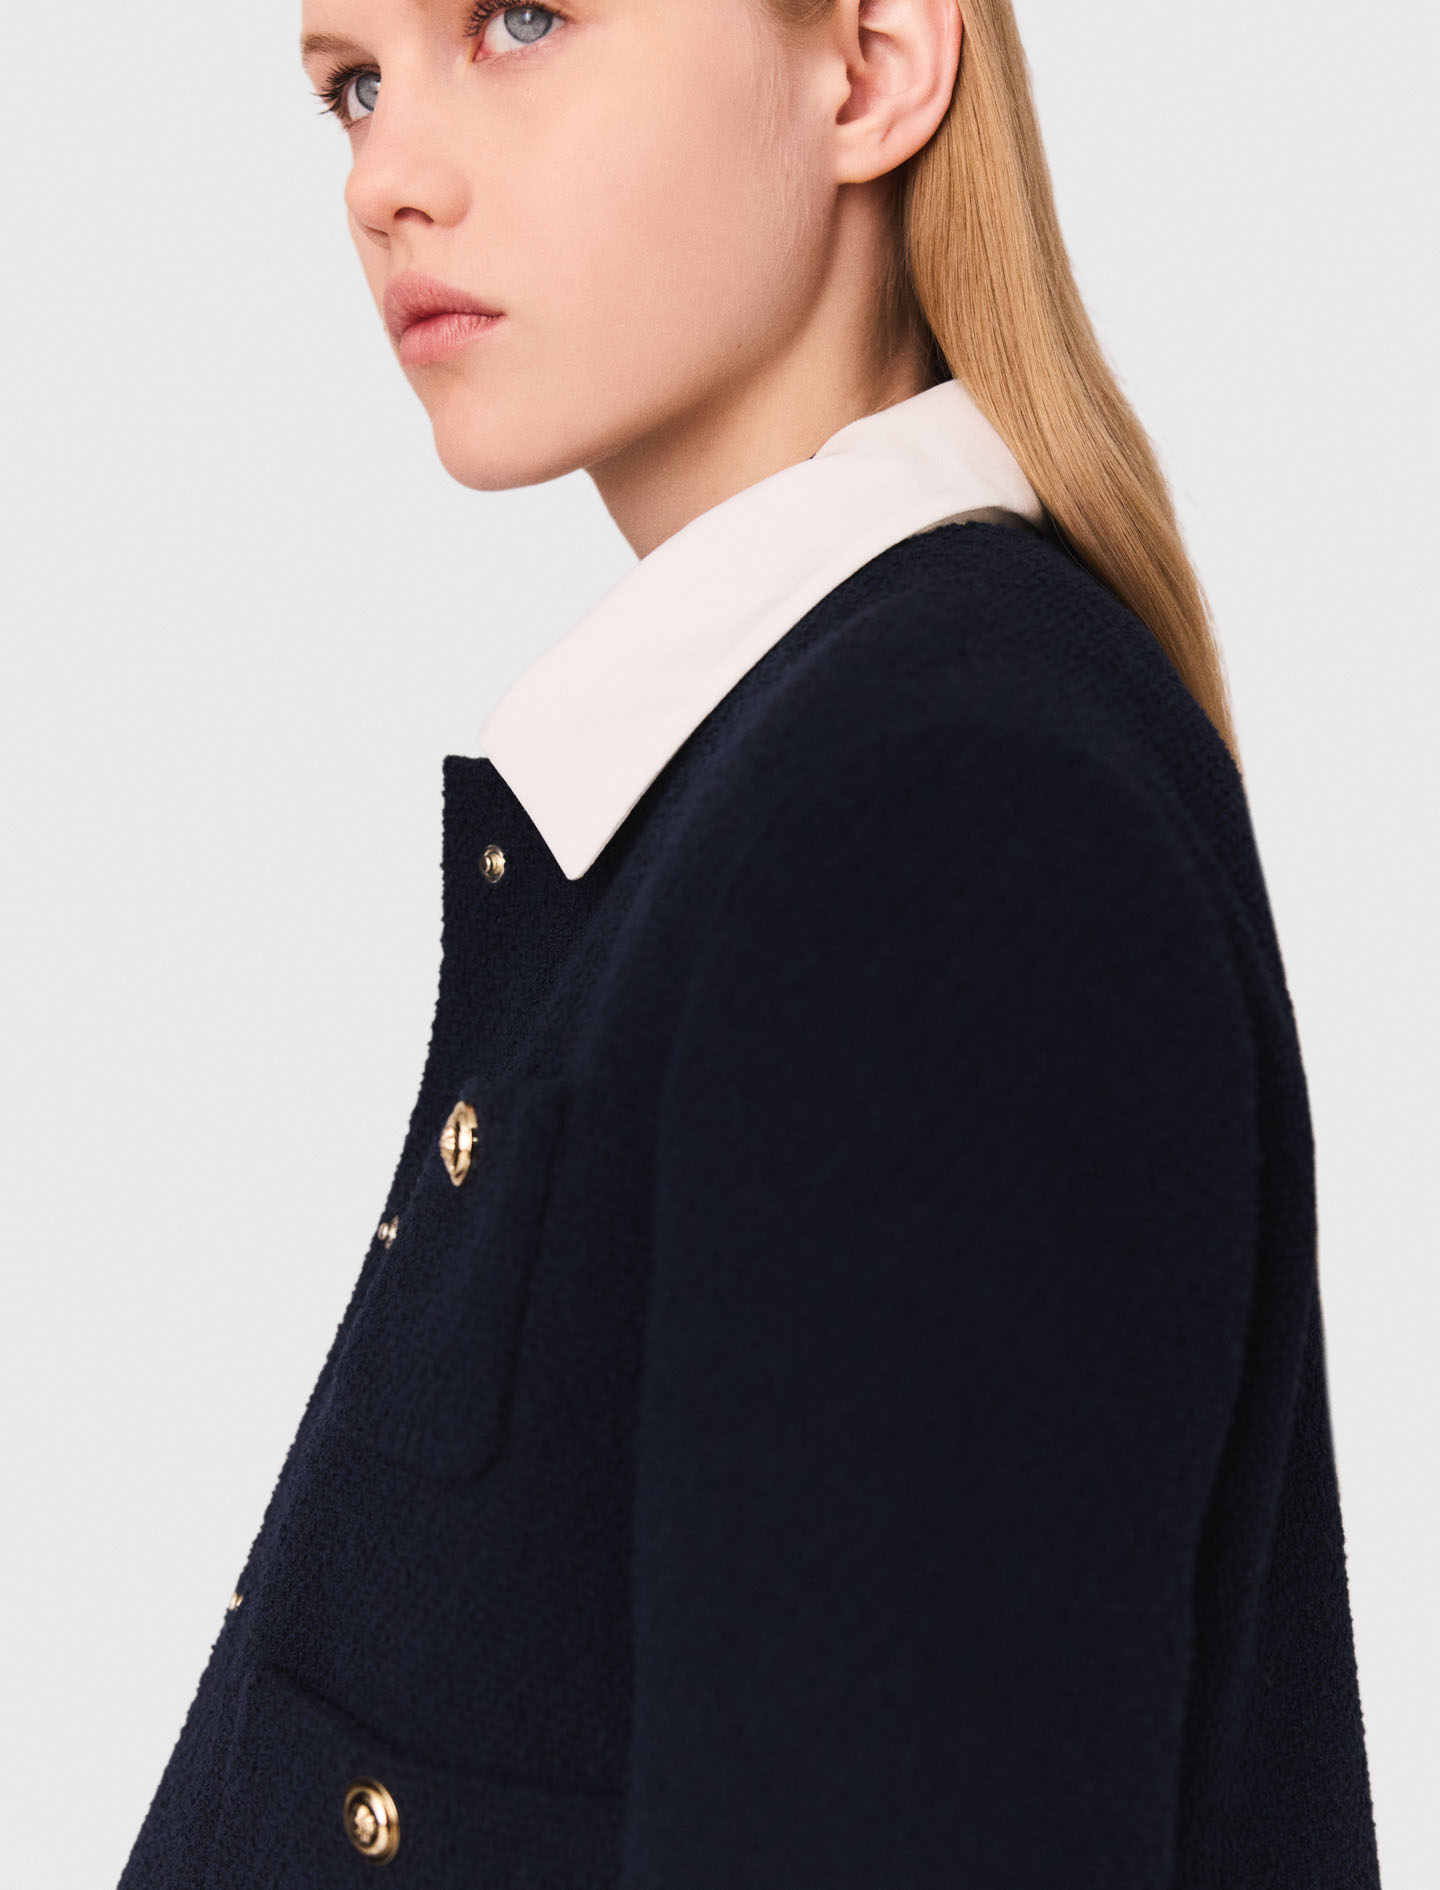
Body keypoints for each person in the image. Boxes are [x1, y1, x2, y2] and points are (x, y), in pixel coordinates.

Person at [119, 2, 1382, 1885]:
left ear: (871, 65)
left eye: (521, 21)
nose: (385, 179)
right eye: (353, 87)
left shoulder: (943, 835)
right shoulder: (797, 783)